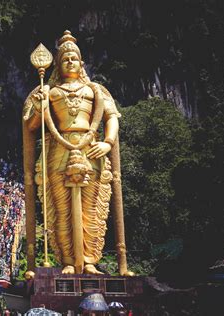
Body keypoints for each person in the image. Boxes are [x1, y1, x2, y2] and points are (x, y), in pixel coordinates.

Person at [23, 30, 133, 275]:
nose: (70, 61)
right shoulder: (49, 92)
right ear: (59, 65)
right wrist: (40, 109)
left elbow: (112, 117)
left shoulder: (95, 90)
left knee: (90, 208)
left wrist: (108, 141)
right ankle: (69, 261)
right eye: (65, 59)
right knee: (62, 210)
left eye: (74, 57)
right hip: (59, 151)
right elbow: (31, 127)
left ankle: (90, 260)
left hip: (90, 149)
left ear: (82, 63)